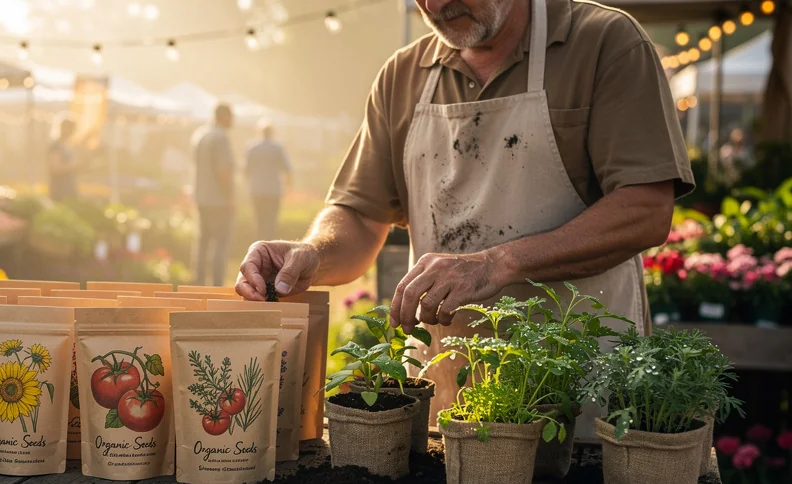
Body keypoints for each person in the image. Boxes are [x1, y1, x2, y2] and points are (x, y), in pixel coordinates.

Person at [236, 0, 691, 432]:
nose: (434, 6)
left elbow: (646, 210)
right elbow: (358, 214)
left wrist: (498, 263)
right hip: (447, 392)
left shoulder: (605, 44)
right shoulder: (403, 75)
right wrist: (312, 253)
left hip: (579, 388)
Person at [191, 103, 236, 287]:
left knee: (202, 242)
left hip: (201, 197)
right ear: (223, 116)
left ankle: (198, 282)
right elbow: (223, 170)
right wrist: (230, 197)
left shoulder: (199, 135)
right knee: (220, 243)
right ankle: (217, 284)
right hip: (218, 200)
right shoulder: (221, 137)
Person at [245, 119, 292, 241]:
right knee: (271, 222)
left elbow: (246, 171)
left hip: (256, 190)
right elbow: (287, 169)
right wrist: (288, 186)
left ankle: (258, 248)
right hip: (273, 190)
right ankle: (269, 247)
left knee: (259, 221)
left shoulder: (252, 148)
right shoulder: (277, 148)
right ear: (272, 133)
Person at [48, 118, 81, 201]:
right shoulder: (56, 146)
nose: (73, 132)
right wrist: (73, 165)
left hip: (69, 189)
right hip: (60, 191)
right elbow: (55, 168)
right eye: (71, 129)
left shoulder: (67, 145)